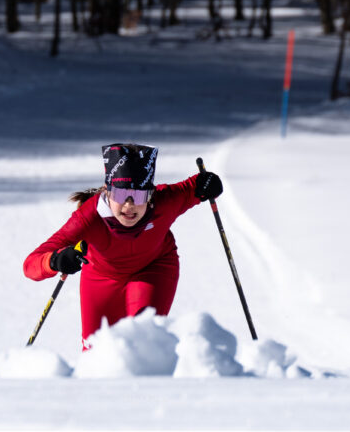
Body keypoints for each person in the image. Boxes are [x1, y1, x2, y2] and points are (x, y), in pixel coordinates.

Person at [23, 143, 223, 348]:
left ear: (150, 195)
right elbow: (30, 265)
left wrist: (209, 183)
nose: (129, 206)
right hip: (100, 276)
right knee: (95, 351)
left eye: (138, 196)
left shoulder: (165, 202)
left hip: (154, 269)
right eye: (120, 195)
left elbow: (196, 186)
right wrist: (55, 260)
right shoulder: (89, 218)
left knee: (144, 342)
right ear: (107, 191)